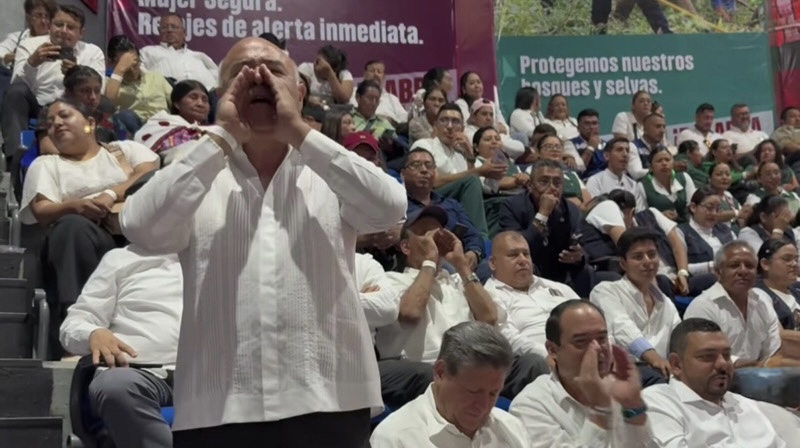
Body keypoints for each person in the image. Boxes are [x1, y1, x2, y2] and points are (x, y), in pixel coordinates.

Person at [120, 37, 407, 446]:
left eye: (273, 70)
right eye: (240, 71)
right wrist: (221, 137)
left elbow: (390, 208)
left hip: (331, 402)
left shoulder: (330, 169)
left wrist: (299, 133)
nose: (257, 78)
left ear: (301, 90)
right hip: (217, 405)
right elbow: (140, 228)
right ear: (222, 94)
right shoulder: (197, 169)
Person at [20, 98, 159, 360]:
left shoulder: (123, 151)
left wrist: (110, 193)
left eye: (64, 116)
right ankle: (78, 333)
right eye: (50, 123)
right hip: (84, 241)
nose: (56, 124)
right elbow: (42, 210)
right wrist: (76, 206)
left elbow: (151, 172)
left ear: (90, 124)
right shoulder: (48, 164)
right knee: (71, 227)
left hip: (132, 237)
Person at [59, 245, 182, 448]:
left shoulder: (218, 259)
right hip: (138, 373)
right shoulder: (120, 259)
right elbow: (74, 323)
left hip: (209, 377)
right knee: (115, 386)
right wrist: (93, 333)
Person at [510, 300, 656, 447]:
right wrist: (600, 409)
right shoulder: (530, 404)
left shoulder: (620, 389)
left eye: (601, 338)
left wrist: (634, 406)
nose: (597, 348)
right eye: (581, 341)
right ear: (552, 350)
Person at [370, 322, 531, 448]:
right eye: (473, 391)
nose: (483, 407)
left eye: (493, 393)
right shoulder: (395, 438)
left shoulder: (510, 426)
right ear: (441, 372)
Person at [643, 318, 792, 446]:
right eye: (708, 356)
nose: (723, 364)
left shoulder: (746, 405)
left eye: (726, 355)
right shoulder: (658, 402)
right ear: (676, 364)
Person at [3, 4, 105, 159]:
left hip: (76, 106)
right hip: (38, 105)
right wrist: (32, 63)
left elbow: (99, 89)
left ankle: (93, 154)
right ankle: (15, 158)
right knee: (16, 92)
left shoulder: (92, 52)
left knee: (103, 101)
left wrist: (77, 74)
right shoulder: (29, 46)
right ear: (50, 26)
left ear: (81, 33)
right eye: (59, 25)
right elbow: (15, 82)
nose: (63, 31)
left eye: (70, 27)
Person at [684, 241, 798, 368]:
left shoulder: (762, 302)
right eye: (734, 265)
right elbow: (709, 357)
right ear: (718, 272)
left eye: (749, 266)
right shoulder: (703, 306)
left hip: (762, 380)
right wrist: (761, 366)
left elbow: (773, 350)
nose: (743, 271)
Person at [590, 227, 679, 383]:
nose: (647, 262)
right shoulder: (606, 290)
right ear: (623, 264)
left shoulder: (665, 301)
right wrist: (653, 357)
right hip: (625, 371)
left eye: (652, 255)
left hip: (663, 369)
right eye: (638, 257)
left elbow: (681, 336)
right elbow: (621, 326)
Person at [498, 159, 595, 297]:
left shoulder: (572, 210)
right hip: (528, 265)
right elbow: (513, 246)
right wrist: (543, 214)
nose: (552, 188)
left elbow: (585, 248)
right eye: (544, 182)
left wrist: (578, 257)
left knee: (586, 271)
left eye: (557, 183)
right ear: (530, 185)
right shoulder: (512, 205)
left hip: (559, 269)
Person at [485, 231, 581, 358]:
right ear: (493, 263)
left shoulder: (558, 287)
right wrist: (551, 356)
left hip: (581, 350)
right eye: (513, 255)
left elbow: (590, 318)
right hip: (537, 362)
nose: (523, 260)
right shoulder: (489, 295)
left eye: (526, 254)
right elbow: (509, 339)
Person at [402, 148, 485, 268]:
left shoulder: (452, 204)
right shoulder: (398, 204)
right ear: (403, 174)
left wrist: (473, 253)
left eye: (429, 165)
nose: (424, 170)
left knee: (489, 269)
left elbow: (473, 234)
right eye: (416, 165)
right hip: (422, 263)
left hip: (458, 260)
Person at [105, 35, 173, 135]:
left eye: (135, 63)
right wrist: (120, 70)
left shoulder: (156, 78)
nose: (132, 69)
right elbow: (108, 105)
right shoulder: (110, 85)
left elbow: (177, 102)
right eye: (127, 65)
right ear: (111, 63)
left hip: (164, 128)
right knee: (125, 116)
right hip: (136, 131)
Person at [134, 80, 211, 164]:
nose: (200, 104)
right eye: (193, 98)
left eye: (205, 100)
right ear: (177, 103)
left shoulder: (211, 131)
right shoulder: (160, 125)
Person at [139, 13, 218, 90]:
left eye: (174, 27)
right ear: (159, 32)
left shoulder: (200, 56)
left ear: (184, 33)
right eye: (165, 27)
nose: (169, 30)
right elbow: (138, 71)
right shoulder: (148, 52)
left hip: (206, 98)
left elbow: (218, 77)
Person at [679, 188, 736, 279]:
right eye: (709, 208)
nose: (714, 213)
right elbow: (679, 268)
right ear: (693, 207)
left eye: (718, 209)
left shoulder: (726, 230)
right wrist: (712, 266)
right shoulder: (680, 232)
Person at [635, 147, 697, 223]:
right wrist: (659, 216)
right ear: (651, 167)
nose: (664, 163)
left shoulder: (684, 178)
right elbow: (640, 216)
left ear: (673, 163)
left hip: (687, 226)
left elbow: (695, 206)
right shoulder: (642, 186)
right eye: (659, 161)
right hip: (658, 230)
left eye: (667, 160)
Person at [754, 238, 800, 330]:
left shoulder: (796, 291)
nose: (794, 264)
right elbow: (778, 337)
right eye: (787, 259)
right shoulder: (756, 296)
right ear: (765, 264)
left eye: (796, 259)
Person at [0, 0, 56, 69]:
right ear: (29, 17)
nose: (43, 21)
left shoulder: (57, 39)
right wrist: (8, 57)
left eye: (47, 16)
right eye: (38, 15)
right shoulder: (17, 37)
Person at [563, 108, 606, 176]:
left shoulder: (607, 144)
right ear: (578, 127)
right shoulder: (570, 144)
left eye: (594, 123)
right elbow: (577, 170)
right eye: (587, 123)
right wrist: (590, 148)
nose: (591, 127)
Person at [363, 60, 407, 126]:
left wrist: (391, 121)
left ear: (383, 77)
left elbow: (404, 118)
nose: (375, 74)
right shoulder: (355, 94)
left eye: (379, 71)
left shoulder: (392, 98)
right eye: (372, 71)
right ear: (365, 74)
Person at [627, 113, 669, 180]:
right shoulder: (633, 146)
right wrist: (665, 169)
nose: (662, 131)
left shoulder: (663, 149)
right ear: (645, 130)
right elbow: (636, 173)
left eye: (663, 127)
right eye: (658, 126)